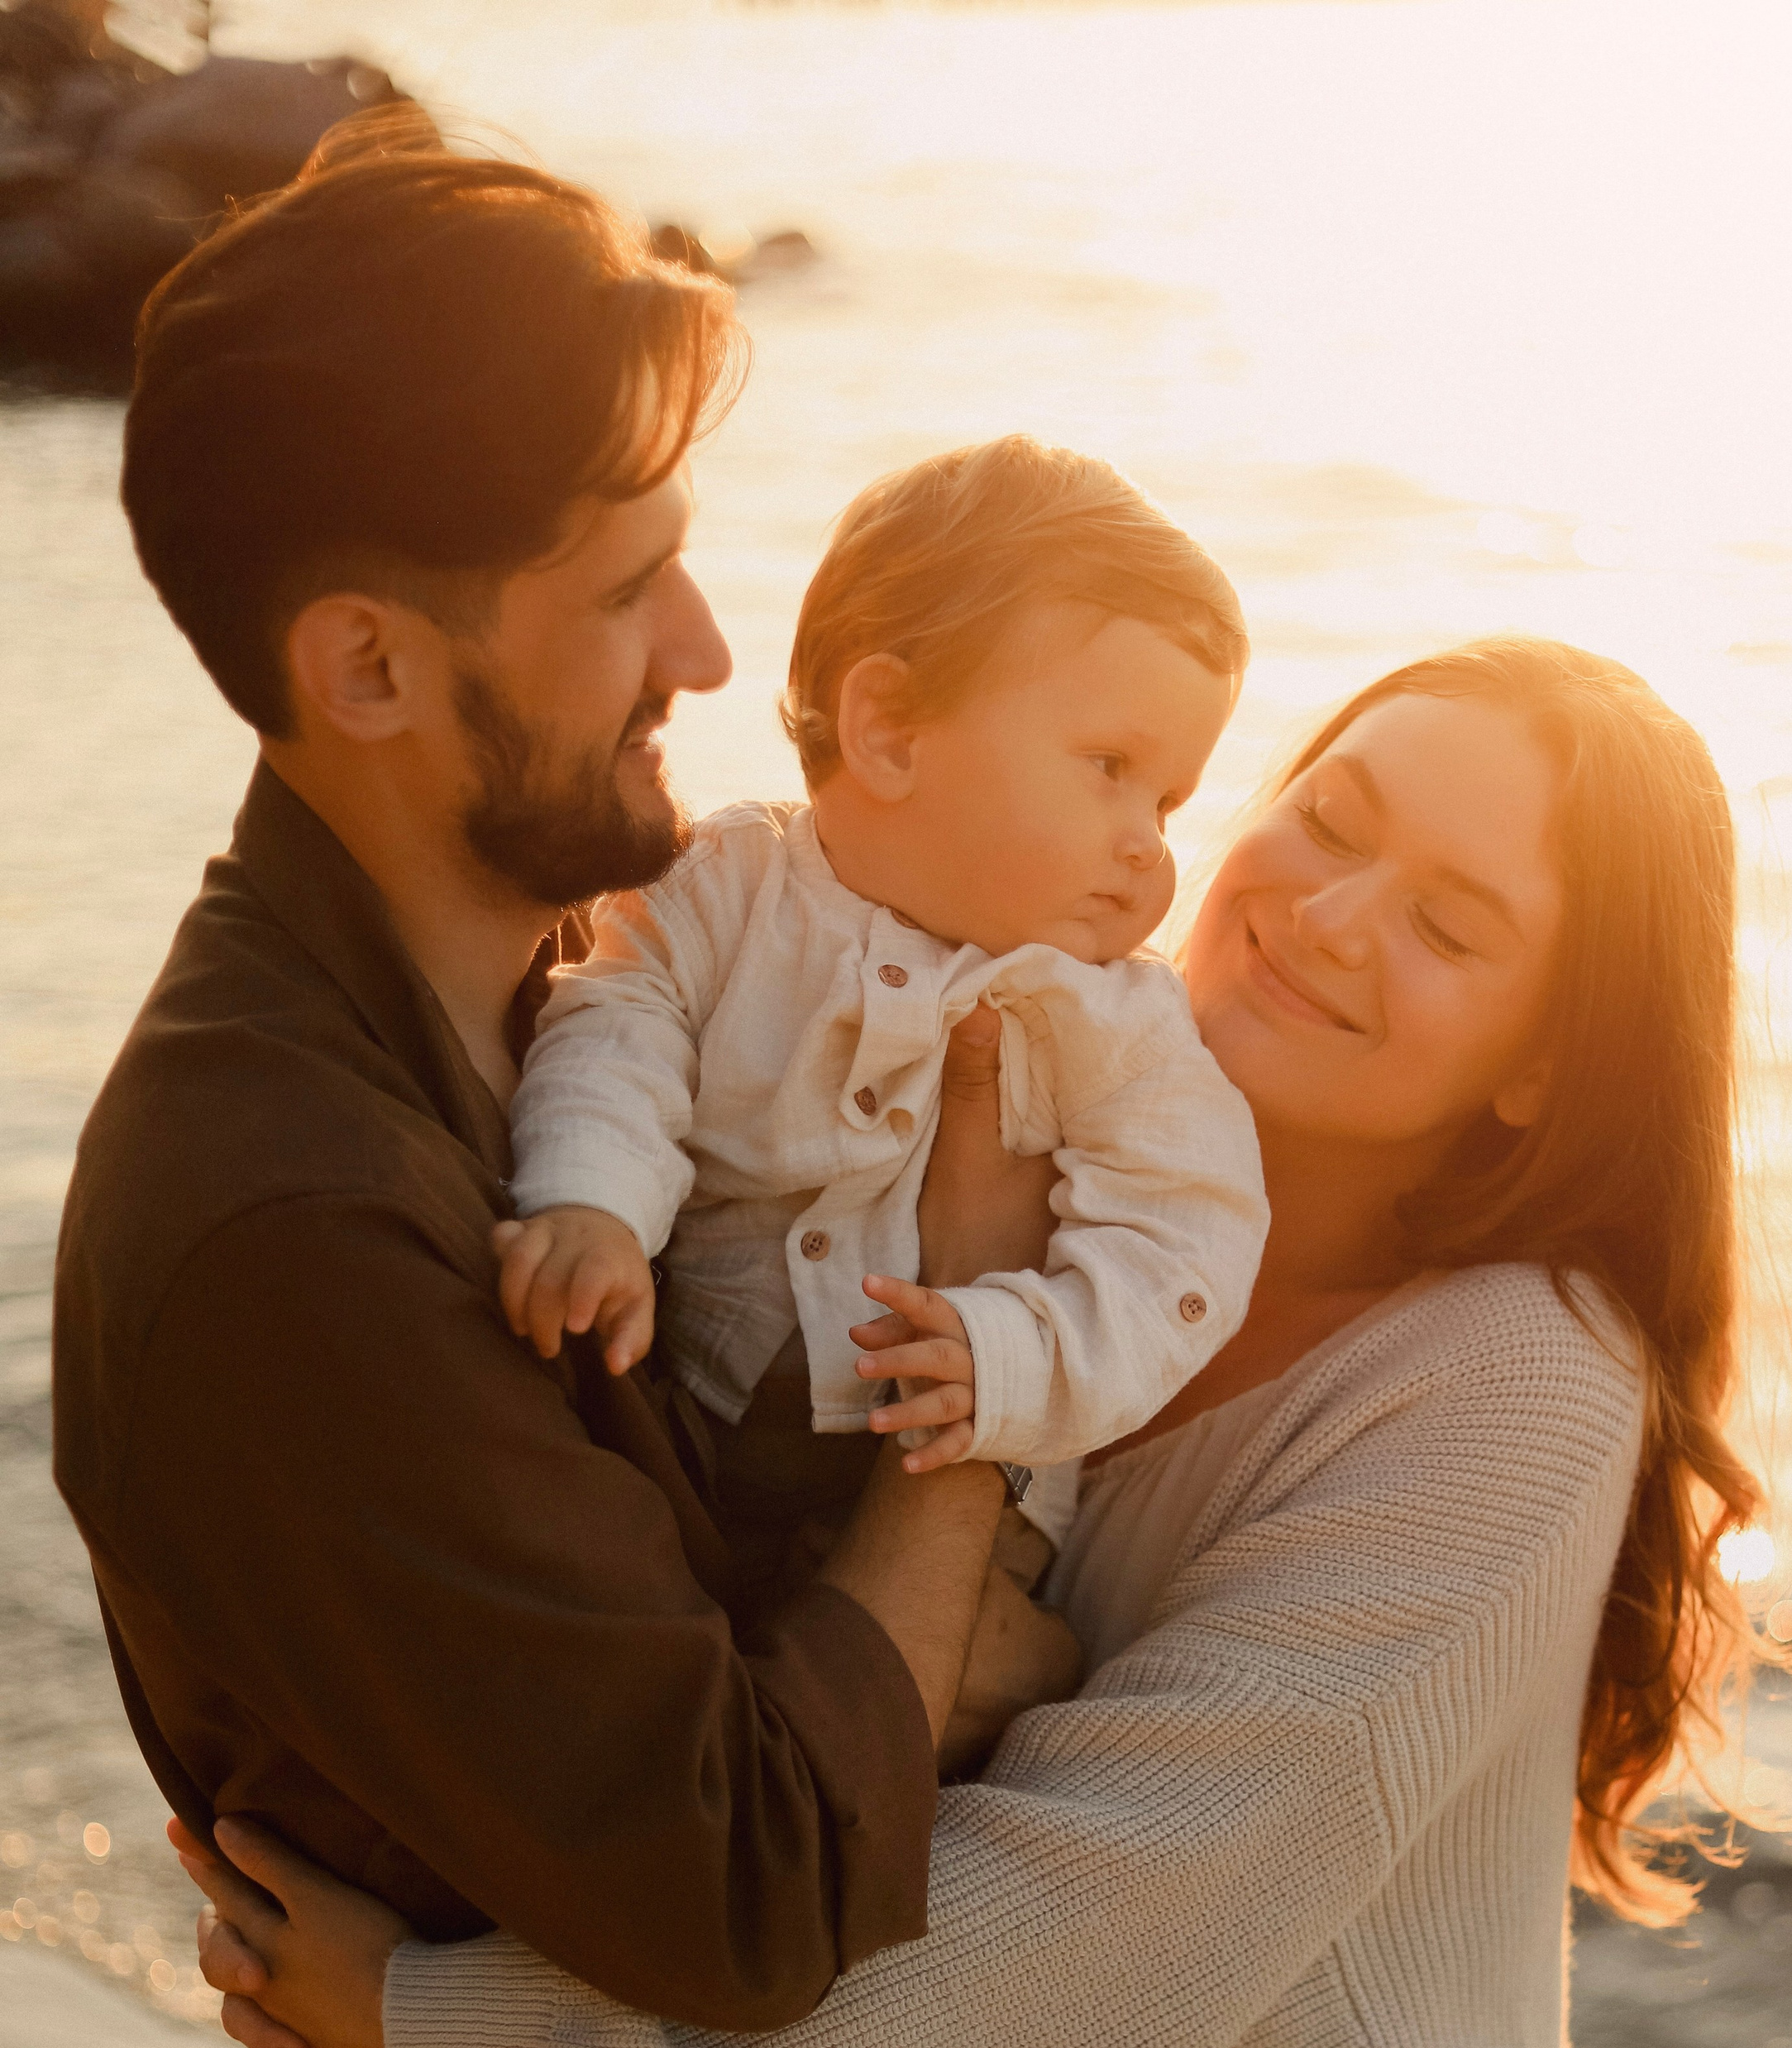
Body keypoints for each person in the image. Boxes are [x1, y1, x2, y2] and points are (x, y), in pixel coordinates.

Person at [188, 634, 1780, 2048]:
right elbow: (751, 1661)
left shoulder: (1507, 1391)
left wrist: (434, 2029)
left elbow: (1030, 1971)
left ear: (1548, 1056)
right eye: (1331, 821)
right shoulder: (1051, 1204)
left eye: (1451, 924)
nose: (1330, 910)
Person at [53, 126, 1068, 2048]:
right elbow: (741, 1878)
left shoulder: (550, 996)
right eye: (628, 591)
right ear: (370, 669)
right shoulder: (292, 1209)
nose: (716, 654)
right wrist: (964, 1360)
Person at [500, 435, 1267, 1576]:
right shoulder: (726, 889)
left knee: (979, 1650)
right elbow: (618, 1026)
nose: (1147, 846)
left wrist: (1012, 1357)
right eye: (1110, 765)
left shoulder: (1112, 1012)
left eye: (1169, 799)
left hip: (953, 1470)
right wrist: (594, 1203)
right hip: (698, 1421)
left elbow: (1187, 1239)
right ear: (890, 730)